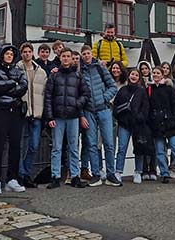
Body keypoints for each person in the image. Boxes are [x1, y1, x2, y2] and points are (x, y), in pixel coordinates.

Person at [44, 48, 90, 189]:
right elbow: (48, 97)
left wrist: (77, 103)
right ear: (60, 58)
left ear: (71, 58)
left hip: (73, 116)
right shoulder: (54, 76)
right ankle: (55, 176)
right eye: (63, 56)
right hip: (57, 117)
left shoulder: (77, 75)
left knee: (73, 148)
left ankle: (75, 176)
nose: (65, 59)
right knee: (57, 148)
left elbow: (86, 93)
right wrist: (49, 117)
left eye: (68, 56)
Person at [0, 45, 28, 195]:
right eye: (7, 53)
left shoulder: (18, 71)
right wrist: (13, 83)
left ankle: (13, 179)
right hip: (1, 110)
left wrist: (9, 87)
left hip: (16, 111)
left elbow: (23, 87)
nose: (9, 55)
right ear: (2, 55)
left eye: (12, 54)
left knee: (15, 146)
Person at [79, 45, 120, 187]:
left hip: (104, 110)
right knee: (91, 144)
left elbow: (113, 86)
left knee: (108, 143)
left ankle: (111, 174)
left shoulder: (100, 68)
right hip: (89, 111)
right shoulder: (80, 72)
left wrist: (104, 97)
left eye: (88, 53)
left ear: (92, 54)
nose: (86, 56)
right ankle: (96, 174)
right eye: (84, 54)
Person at [148, 66, 175, 186]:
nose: (155, 75)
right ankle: (164, 173)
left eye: (157, 73)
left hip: (170, 122)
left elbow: (174, 105)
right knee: (160, 151)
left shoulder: (168, 89)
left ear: (162, 75)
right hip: (156, 123)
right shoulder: (149, 89)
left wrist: (174, 119)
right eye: (154, 73)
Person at [17, 42, 47, 188]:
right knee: (20, 146)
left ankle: (26, 173)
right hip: (22, 113)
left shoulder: (41, 71)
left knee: (34, 145)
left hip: (37, 114)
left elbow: (45, 93)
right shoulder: (17, 69)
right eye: (24, 51)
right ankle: (21, 175)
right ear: (21, 53)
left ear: (32, 53)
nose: (27, 54)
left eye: (29, 51)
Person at [114, 69, 149, 184]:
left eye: (136, 75)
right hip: (124, 124)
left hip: (137, 124)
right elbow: (116, 105)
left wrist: (140, 117)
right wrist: (120, 117)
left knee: (138, 148)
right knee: (122, 148)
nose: (134, 77)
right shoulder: (122, 90)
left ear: (139, 78)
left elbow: (145, 107)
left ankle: (138, 172)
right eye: (132, 74)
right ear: (129, 76)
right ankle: (118, 171)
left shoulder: (142, 91)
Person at [137, 60, 157, 181]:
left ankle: (153, 169)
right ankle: (144, 169)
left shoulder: (154, 83)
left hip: (152, 116)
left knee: (153, 144)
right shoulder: (139, 85)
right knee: (142, 142)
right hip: (142, 117)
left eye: (146, 68)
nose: (144, 71)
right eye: (142, 69)